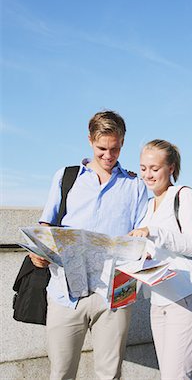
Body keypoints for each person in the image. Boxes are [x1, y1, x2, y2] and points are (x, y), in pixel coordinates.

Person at [29, 110, 148, 380]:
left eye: (115, 149)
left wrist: (142, 235)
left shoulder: (135, 186)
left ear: (123, 143)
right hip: (65, 293)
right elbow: (46, 225)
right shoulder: (66, 177)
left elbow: (144, 235)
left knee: (110, 375)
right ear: (89, 140)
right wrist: (39, 252)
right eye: (101, 148)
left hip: (116, 293)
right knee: (61, 374)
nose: (108, 156)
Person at [129, 139, 192, 380]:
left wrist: (154, 232)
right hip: (158, 299)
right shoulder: (147, 205)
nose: (148, 175)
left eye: (155, 168)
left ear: (171, 167)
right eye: (143, 168)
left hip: (185, 298)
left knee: (177, 376)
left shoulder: (184, 195)